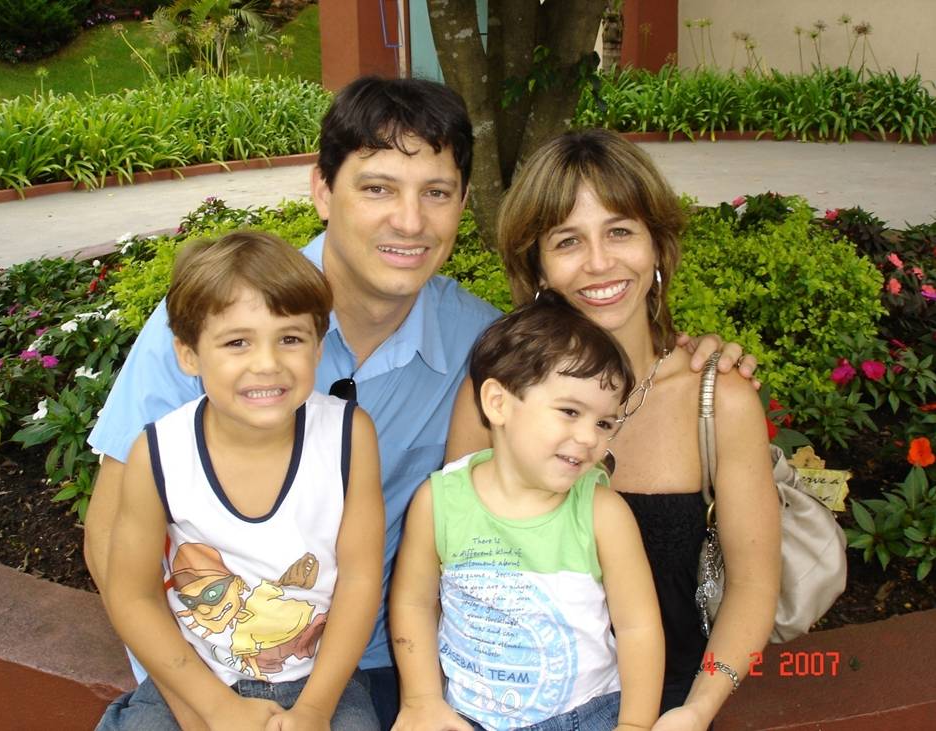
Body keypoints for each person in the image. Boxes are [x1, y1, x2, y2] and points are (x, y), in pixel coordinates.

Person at [84, 75, 755, 729]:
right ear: (322, 190)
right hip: (208, 668)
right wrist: (205, 706)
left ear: (462, 204)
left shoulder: (485, 350)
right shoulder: (217, 327)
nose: (409, 221)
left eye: (436, 192)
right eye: (378, 188)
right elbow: (112, 541)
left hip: (381, 668)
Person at [469, 128, 781, 731]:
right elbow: (451, 561)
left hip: (670, 706)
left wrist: (697, 710)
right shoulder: (497, 395)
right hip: (513, 707)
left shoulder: (719, 400)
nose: (599, 262)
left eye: (620, 232)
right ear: (538, 266)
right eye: (568, 240)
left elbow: (752, 587)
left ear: (657, 245)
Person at [97, 231, 384, 730]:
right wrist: (216, 708)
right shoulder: (158, 453)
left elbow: (360, 580)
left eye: (290, 338)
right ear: (188, 354)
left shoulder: (348, 436)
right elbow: (132, 595)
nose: (267, 364)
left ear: (319, 347)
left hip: (318, 680)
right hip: (196, 680)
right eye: (237, 343)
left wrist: (315, 709)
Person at [390, 290, 665, 731]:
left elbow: (639, 629)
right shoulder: (440, 501)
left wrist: (634, 725)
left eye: (603, 423)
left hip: (586, 716)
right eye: (570, 411)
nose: (589, 437)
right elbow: (414, 602)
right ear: (498, 403)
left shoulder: (602, 514)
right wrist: (421, 699)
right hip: (466, 717)